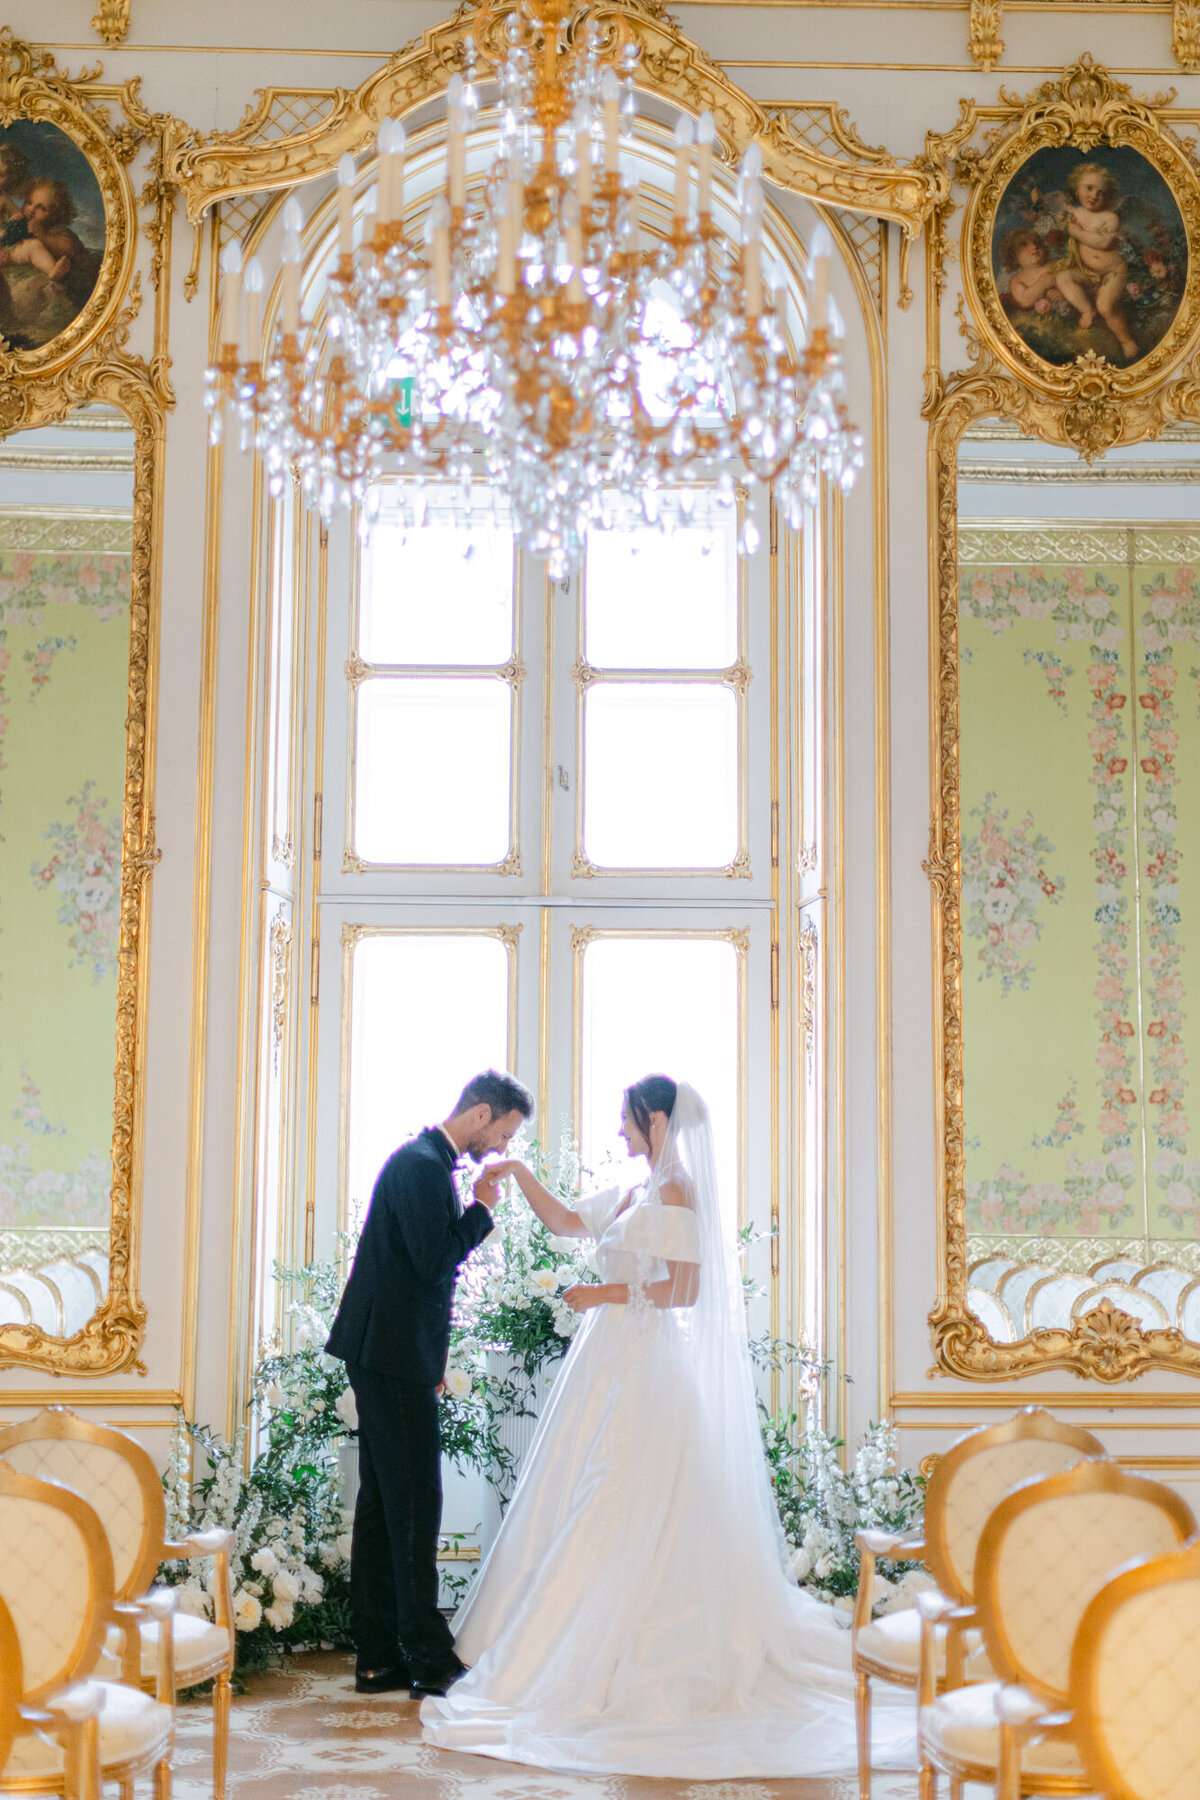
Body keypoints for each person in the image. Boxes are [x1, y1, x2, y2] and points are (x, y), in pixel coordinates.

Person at [420, 1075, 916, 1778]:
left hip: (647, 1366)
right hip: (609, 1362)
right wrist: (519, 1174)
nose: (619, 1133)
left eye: (625, 1121)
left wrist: (603, 1293)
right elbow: (566, 1222)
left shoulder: (678, 1192)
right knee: (589, 1491)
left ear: (653, 1120)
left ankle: (618, 1648)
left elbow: (686, 1288)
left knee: (621, 1492)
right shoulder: (634, 1191)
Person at [326, 1068, 534, 1697]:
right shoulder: (421, 1166)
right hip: (389, 1357)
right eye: (502, 1133)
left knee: (385, 1507)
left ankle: (377, 1656)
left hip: (392, 1353)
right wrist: (482, 1211)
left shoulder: (423, 1164)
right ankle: (429, 1658)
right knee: (416, 1504)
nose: (499, 1148)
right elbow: (433, 1260)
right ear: (480, 1114)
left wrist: (431, 1355)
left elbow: (414, 1276)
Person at [1050, 162, 1138, 360]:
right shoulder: (1076, 213)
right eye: (1089, 188)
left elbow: (1103, 242)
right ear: (1076, 188)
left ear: (1109, 196)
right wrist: (1037, 200)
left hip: (1112, 272)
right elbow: (1054, 207)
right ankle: (1086, 310)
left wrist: (1077, 232)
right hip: (1088, 272)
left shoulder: (1110, 217)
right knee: (1063, 276)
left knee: (1105, 306)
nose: (1095, 195)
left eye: (1102, 192)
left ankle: (1126, 340)